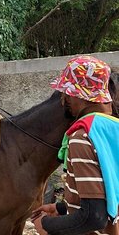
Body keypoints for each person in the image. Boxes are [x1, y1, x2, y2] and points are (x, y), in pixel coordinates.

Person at [31, 55, 119, 235]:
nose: (64, 99)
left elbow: (94, 216)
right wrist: (63, 209)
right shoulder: (111, 128)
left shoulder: (83, 136)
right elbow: (107, 194)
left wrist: (47, 225)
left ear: (83, 94)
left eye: (68, 92)